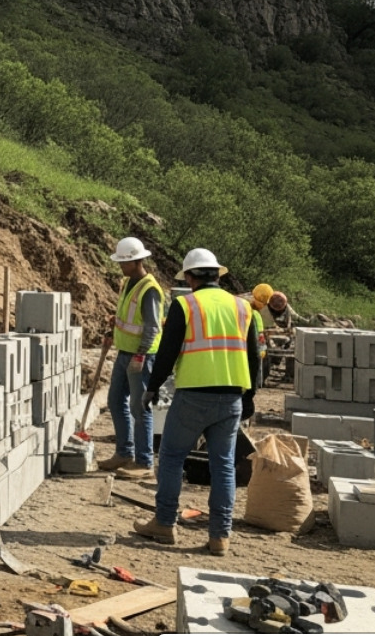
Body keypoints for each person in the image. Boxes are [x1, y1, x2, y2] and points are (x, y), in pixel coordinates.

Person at [133, 248, 261, 558]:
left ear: (190, 277)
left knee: (173, 457)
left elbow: (167, 353)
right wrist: (250, 396)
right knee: (223, 466)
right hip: (231, 396)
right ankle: (220, 536)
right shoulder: (243, 308)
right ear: (218, 275)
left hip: (193, 395)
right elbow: (254, 356)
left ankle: (164, 523)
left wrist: (151, 388)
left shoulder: (185, 305)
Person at [99, 237, 165, 474]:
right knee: (115, 401)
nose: (120, 266)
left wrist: (141, 355)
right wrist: (112, 329)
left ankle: (144, 460)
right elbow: (125, 317)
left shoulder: (150, 289)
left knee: (140, 408)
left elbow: (152, 326)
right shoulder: (127, 283)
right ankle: (124, 453)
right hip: (124, 351)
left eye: (124, 263)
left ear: (137, 262)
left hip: (141, 356)